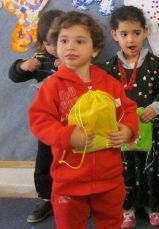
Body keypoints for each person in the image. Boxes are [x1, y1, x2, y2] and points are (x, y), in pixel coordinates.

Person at [28, 11, 138, 229]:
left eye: (79, 41)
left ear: (94, 49)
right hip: (69, 182)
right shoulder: (53, 86)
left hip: (109, 178)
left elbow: (128, 109)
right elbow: (40, 120)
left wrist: (127, 130)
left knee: (111, 223)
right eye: (64, 40)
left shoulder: (109, 83)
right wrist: (67, 136)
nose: (70, 46)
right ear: (55, 46)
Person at [102, 5, 159, 228]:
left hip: (154, 130)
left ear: (145, 32)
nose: (130, 39)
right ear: (115, 35)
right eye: (124, 34)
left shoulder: (157, 65)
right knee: (125, 170)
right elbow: (102, 97)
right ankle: (127, 209)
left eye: (136, 32)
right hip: (122, 132)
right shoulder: (108, 69)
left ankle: (154, 206)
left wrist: (157, 106)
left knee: (152, 168)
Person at [8, 9, 64, 223]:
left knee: (74, 160)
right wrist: (23, 66)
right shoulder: (40, 59)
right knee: (44, 159)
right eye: (52, 43)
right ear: (42, 44)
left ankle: (77, 196)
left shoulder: (74, 55)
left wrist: (69, 66)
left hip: (74, 121)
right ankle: (45, 198)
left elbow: (92, 77)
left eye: (63, 40)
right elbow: (14, 76)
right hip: (48, 122)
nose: (59, 48)